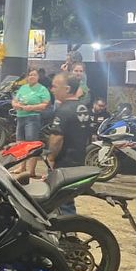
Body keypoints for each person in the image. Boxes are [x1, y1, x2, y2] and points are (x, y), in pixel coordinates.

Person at [46, 72, 92, 215]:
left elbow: (57, 138)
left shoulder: (64, 110)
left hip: (64, 163)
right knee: (67, 198)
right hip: (78, 159)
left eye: (55, 86)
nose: (52, 90)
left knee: (62, 201)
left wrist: (50, 158)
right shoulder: (84, 108)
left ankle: (69, 227)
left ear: (66, 89)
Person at [11, 68, 51, 177]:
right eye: (30, 75)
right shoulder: (23, 88)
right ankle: (22, 167)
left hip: (32, 118)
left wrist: (31, 107)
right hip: (20, 117)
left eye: (34, 75)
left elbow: (45, 105)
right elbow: (15, 100)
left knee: (32, 145)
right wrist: (15, 104)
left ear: (38, 77)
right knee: (21, 143)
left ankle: (31, 171)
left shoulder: (42, 89)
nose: (32, 77)